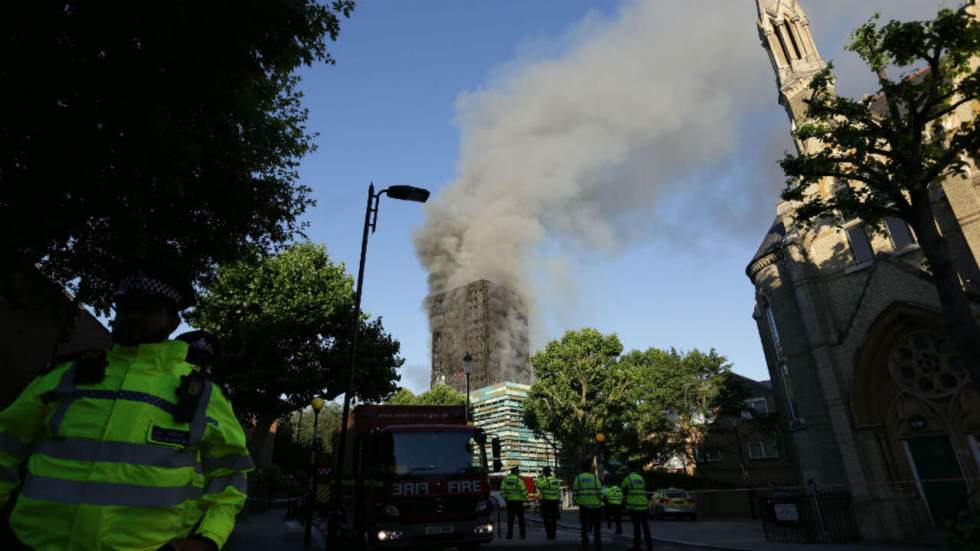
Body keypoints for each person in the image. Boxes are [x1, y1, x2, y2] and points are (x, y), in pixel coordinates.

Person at [0, 261, 253, 550]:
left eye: (147, 309)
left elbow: (230, 477)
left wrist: (207, 539)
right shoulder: (66, 374)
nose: (133, 316)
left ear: (173, 322)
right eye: (125, 307)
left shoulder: (205, 395)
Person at [622, 461, 653, 551]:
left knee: (636, 527)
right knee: (645, 526)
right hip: (644, 505)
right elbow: (644, 487)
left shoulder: (628, 479)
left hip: (634, 506)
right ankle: (649, 545)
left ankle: (637, 546)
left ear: (629, 469)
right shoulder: (640, 478)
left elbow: (622, 488)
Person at [573, 461, 602, 549]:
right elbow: (599, 492)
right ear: (589, 468)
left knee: (584, 526)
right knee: (597, 527)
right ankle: (597, 544)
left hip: (584, 506)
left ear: (582, 468)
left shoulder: (578, 478)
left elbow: (575, 492)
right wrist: (600, 501)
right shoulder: (595, 478)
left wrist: (577, 501)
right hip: (595, 506)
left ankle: (585, 544)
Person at [501, 466, 528, 539]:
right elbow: (523, 490)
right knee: (521, 519)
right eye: (518, 471)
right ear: (515, 471)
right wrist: (526, 498)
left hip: (510, 502)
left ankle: (509, 535)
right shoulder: (518, 480)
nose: (518, 472)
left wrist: (506, 498)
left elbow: (502, 491)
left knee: (510, 520)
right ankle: (522, 535)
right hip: (518, 502)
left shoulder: (505, 479)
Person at [537, 466, 562, 540]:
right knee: (554, 519)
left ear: (545, 472)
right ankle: (553, 535)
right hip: (555, 502)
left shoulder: (546, 480)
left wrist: (539, 478)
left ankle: (549, 534)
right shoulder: (555, 480)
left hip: (547, 502)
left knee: (546, 518)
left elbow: (539, 486)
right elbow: (558, 490)